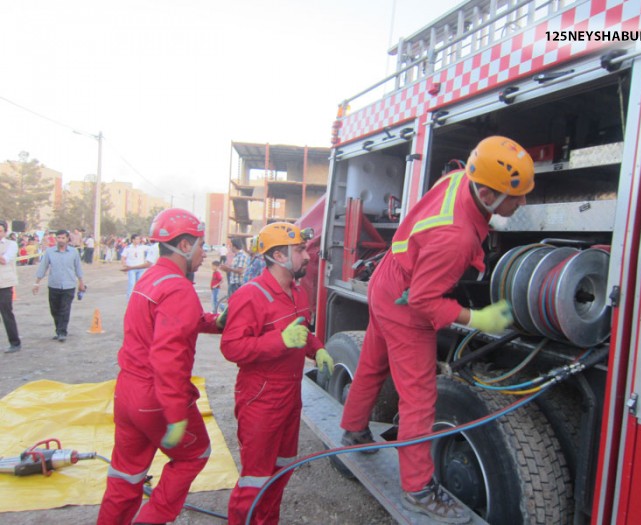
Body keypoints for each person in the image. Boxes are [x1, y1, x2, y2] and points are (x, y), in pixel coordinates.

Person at [340, 136, 534, 523]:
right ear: (487, 193)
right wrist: (477, 319)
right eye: (516, 196)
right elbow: (423, 302)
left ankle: (354, 430)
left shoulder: (461, 177)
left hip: (388, 281)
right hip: (405, 303)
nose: (523, 202)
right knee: (419, 397)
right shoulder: (456, 238)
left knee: (373, 366)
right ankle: (418, 489)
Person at [98, 208, 221, 525]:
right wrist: (176, 413)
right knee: (195, 454)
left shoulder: (152, 278)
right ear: (184, 246)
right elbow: (168, 357)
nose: (204, 253)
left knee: (126, 474)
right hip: (155, 398)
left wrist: (214, 322)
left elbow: (168, 323)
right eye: (201, 245)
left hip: (128, 394)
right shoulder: (179, 288)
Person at [220, 222, 334, 525]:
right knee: (255, 480)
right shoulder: (250, 295)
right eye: (300, 250)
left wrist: (317, 349)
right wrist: (279, 341)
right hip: (260, 400)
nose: (308, 256)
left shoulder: (297, 291)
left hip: (289, 399)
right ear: (279, 256)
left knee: (280, 471)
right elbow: (231, 347)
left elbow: (301, 331)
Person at [32, 229, 86, 342]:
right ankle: (59, 330)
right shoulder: (50, 252)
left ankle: (62, 332)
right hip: (54, 285)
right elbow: (43, 267)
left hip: (69, 285)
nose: (60, 240)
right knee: (55, 310)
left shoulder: (74, 252)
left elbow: (78, 268)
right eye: (58, 238)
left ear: (67, 239)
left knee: (65, 309)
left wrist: (81, 282)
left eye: (63, 238)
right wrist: (37, 283)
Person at [0, 220, 21, 353]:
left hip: (5, 284)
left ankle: (15, 342)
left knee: (7, 314)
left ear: (5, 232)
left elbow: (4, 260)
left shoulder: (11, 244)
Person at [121, 234, 151, 298]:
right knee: (131, 284)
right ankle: (129, 299)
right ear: (133, 240)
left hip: (140, 268)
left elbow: (152, 249)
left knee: (140, 285)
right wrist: (124, 265)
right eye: (137, 239)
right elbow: (123, 257)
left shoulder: (142, 247)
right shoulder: (128, 248)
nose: (139, 240)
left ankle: (138, 298)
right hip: (131, 268)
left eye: (139, 239)